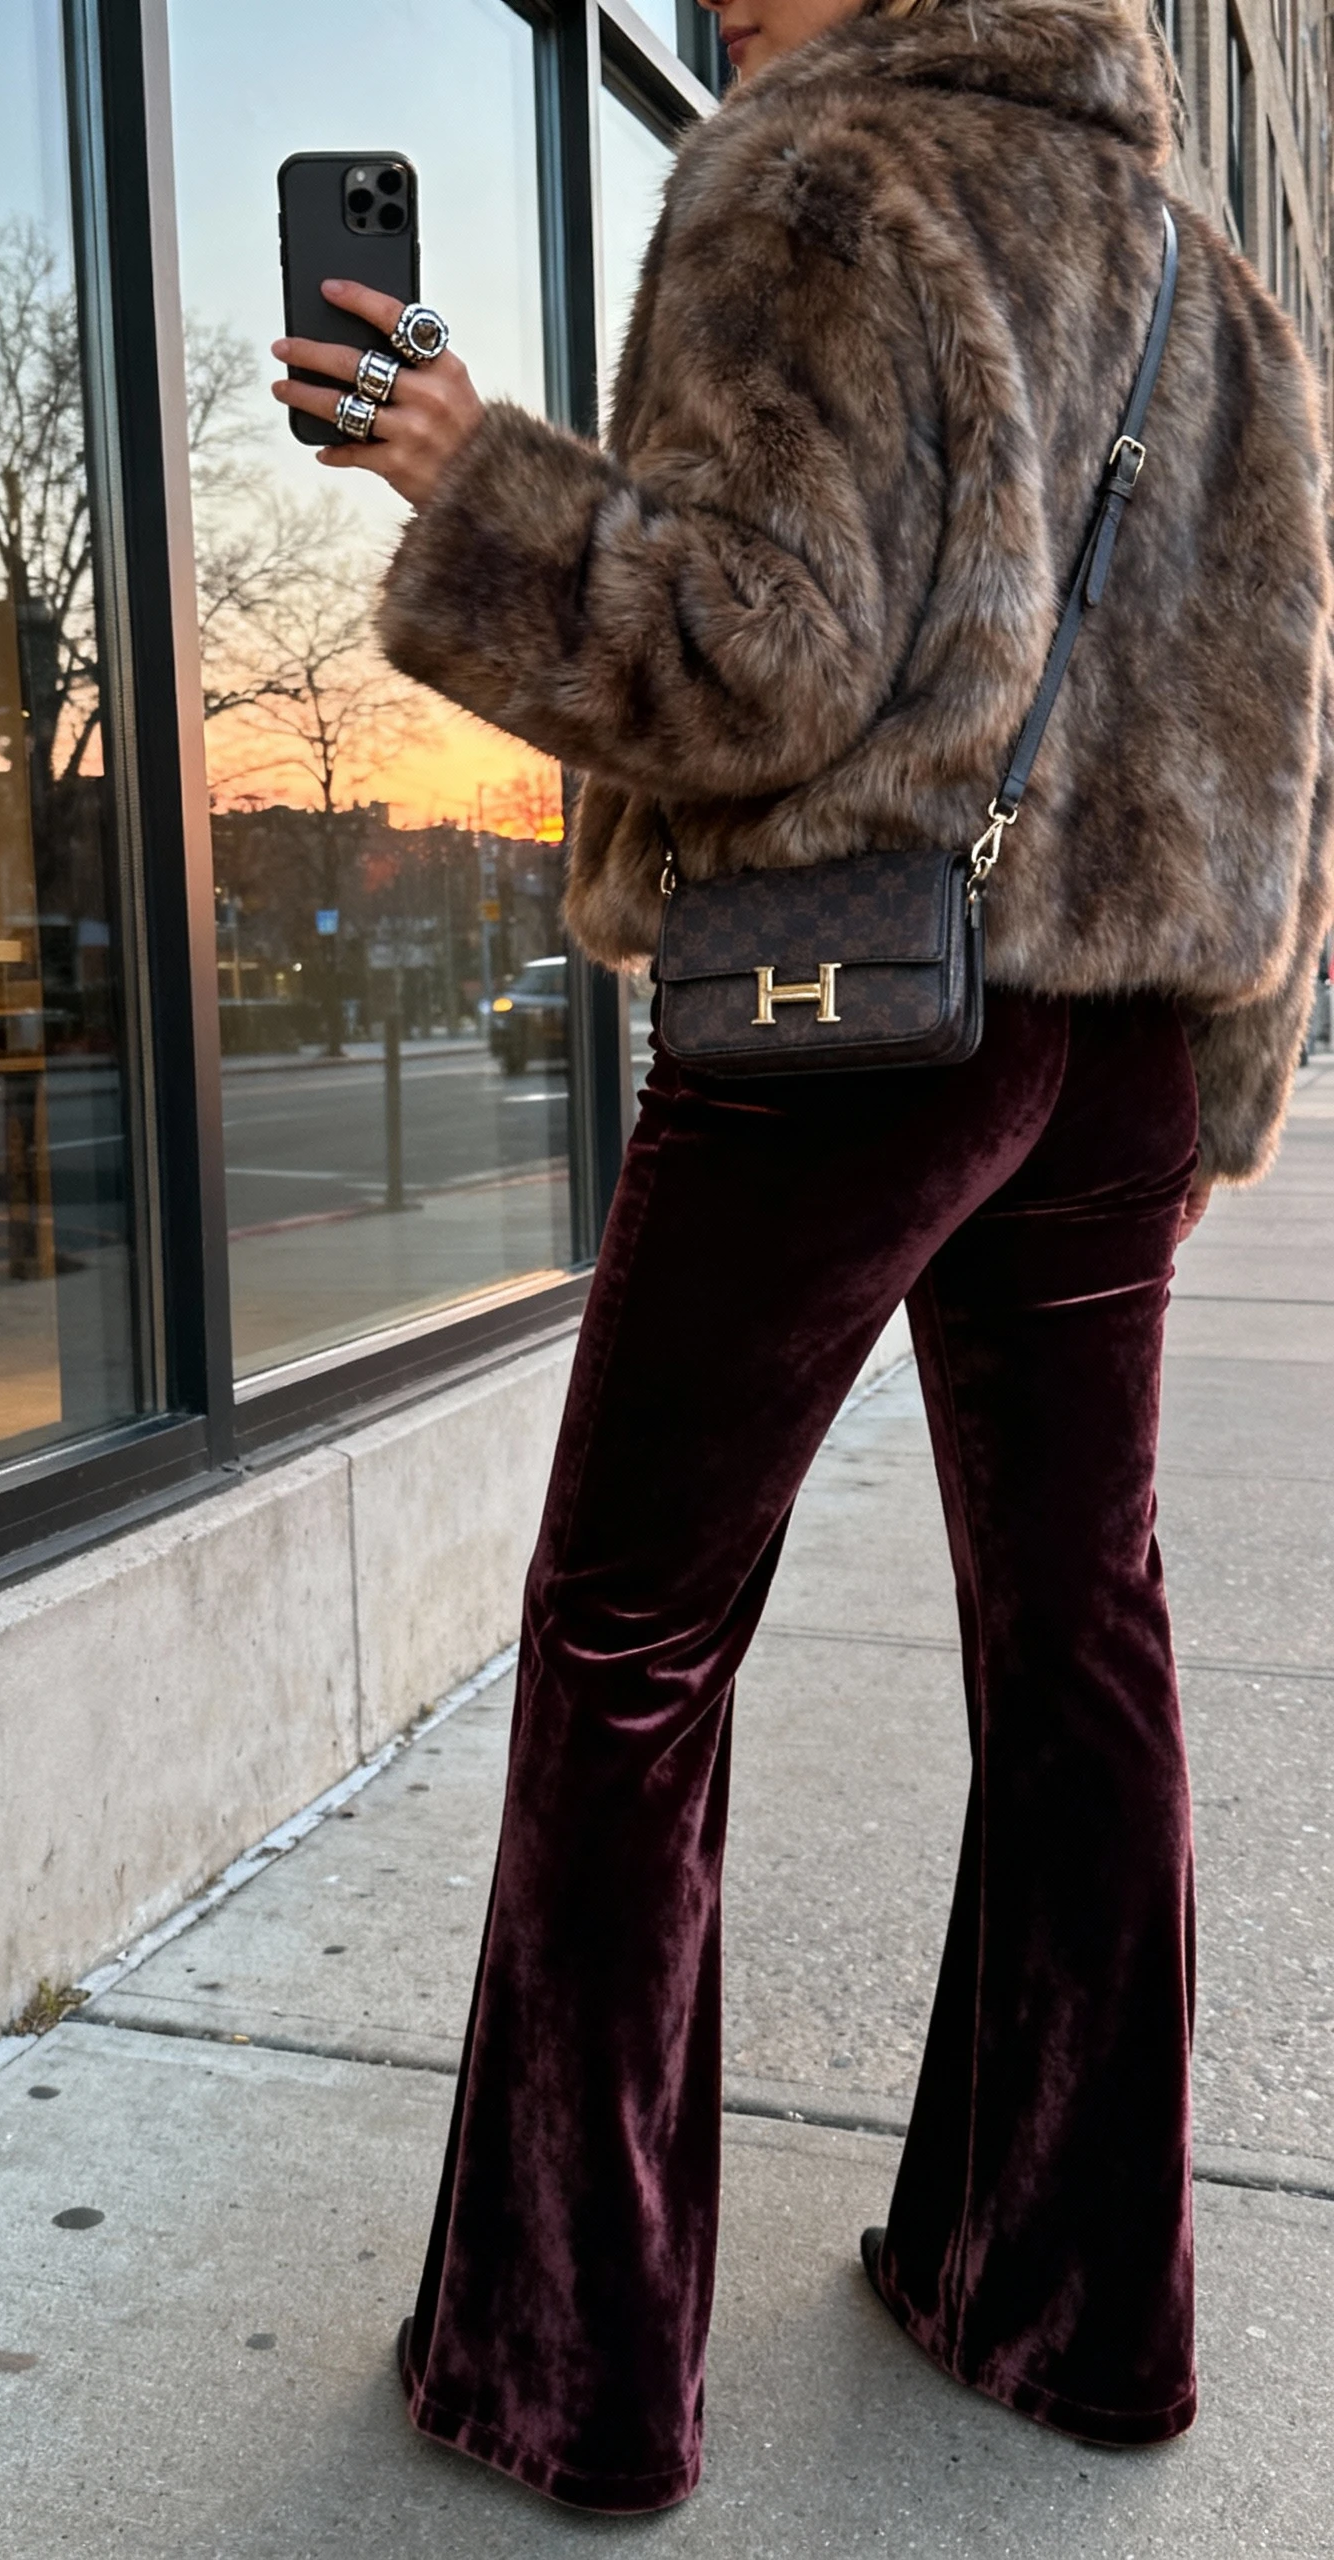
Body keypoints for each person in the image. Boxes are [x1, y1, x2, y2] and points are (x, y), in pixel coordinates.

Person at [271, 0, 1333, 2515]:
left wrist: (471, 467)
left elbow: (744, 652)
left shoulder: (812, 180)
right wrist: (1226, 1075)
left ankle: (569, 2365)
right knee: (1083, 1632)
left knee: (629, 1635)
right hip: (1109, 1039)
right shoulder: (1210, 273)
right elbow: (1291, 730)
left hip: (841, 1017)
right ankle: (1067, 2298)